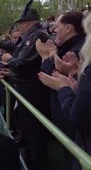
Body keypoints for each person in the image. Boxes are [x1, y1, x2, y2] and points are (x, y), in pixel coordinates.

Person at [0, 0, 50, 169]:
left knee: (33, 129)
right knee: (26, 125)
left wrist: (9, 60)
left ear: (27, 23)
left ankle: (35, 161)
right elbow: (14, 47)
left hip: (32, 90)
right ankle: (29, 153)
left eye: (20, 23)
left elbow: (22, 62)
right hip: (24, 88)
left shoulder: (36, 36)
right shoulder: (29, 36)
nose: (19, 27)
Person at [38, 12, 91, 170]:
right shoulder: (70, 49)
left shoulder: (77, 49)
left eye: (57, 26)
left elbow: (52, 76)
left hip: (72, 120)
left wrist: (46, 58)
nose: (54, 30)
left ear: (68, 28)